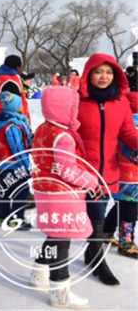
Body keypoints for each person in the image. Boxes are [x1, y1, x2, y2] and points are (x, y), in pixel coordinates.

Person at [29, 86, 98, 309]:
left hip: (44, 190)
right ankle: (60, 293)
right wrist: (91, 181)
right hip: (61, 195)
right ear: (63, 108)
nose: (75, 110)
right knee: (61, 240)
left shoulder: (43, 128)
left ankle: (39, 271)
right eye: (73, 106)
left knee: (55, 233)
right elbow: (66, 170)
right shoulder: (64, 137)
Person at [77, 53, 138, 286]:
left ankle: (94, 258)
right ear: (89, 73)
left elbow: (128, 132)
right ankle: (56, 260)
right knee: (70, 220)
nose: (104, 76)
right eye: (98, 71)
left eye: (109, 72)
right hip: (80, 171)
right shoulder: (77, 99)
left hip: (107, 171)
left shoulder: (120, 101)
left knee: (98, 217)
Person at [0, 55, 32, 216]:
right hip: (10, 127)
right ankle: (12, 204)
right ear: (18, 67)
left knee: (2, 168)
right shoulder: (10, 81)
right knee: (10, 169)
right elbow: (12, 103)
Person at [103, 83, 138, 259]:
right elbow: (129, 148)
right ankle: (126, 242)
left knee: (120, 206)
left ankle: (106, 231)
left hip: (119, 174)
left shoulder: (120, 121)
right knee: (131, 210)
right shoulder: (133, 125)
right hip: (132, 176)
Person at [0, 91, 33, 229]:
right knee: (21, 190)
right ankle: (16, 219)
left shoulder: (2, 121)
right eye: (20, 104)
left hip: (2, 164)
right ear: (15, 107)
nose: (23, 107)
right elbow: (17, 148)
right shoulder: (11, 126)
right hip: (13, 164)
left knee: (6, 190)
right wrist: (26, 166)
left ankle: (2, 217)